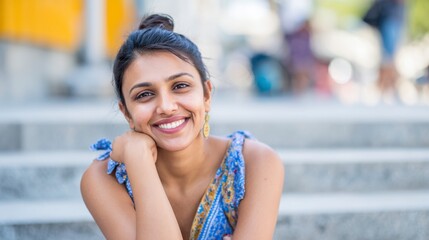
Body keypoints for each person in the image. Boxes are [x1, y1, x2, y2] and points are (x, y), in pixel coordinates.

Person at [80, 14, 284, 240]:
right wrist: (138, 160)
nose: (166, 107)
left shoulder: (255, 163)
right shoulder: (103, 178)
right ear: (126, 112)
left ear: (206, 94)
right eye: (145, 94)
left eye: (180, 86)